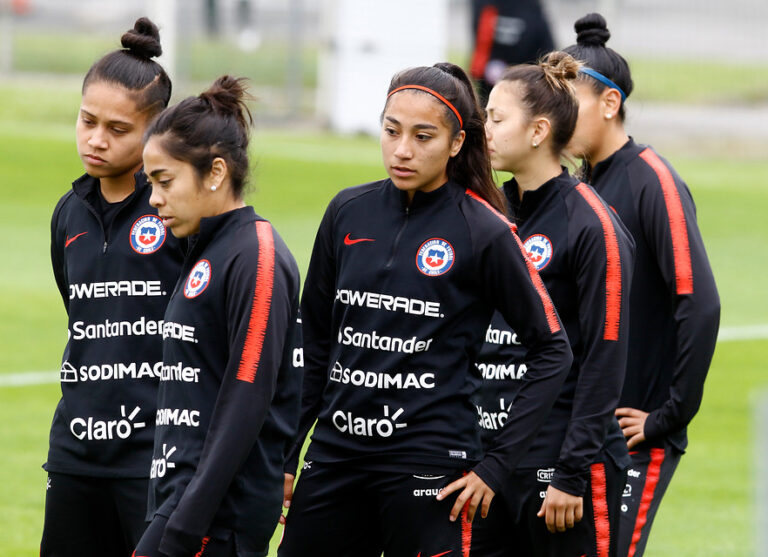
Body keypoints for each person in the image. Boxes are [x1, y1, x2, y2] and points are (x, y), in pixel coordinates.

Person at [278, 62, 573, 557]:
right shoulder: (347, 213)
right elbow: (315, 347)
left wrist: (495, 466)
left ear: (456, 144)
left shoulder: (485, 231)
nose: (402, 150)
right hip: (335, 456)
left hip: (428, 464)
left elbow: (553, 350)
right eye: (391, 131)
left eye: (423, 136)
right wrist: (288, 454)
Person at [563, 13, 721, 557]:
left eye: (569, 104)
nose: (555, 119)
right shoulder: (581, 183)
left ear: (609, 105)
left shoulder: (653, 179)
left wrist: (667, 415)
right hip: (582, 428)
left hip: (634, 436)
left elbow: (698, 304)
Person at [472, 51, 635, 557]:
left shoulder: (592, 225)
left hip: (563, 472)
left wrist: (571, 473)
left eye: (496, 119)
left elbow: (604, 359)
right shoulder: (489, 214)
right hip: (489, 464)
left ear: (539, 131)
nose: (485, 131)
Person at [134, 76, 302, 557]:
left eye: (165, 181)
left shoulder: (255, 255)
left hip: (217, 513)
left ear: (214, 173)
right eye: (151, 183)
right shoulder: (207, 250)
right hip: (181, 498)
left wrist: (188, 522)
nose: (154, 199)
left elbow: (246, 399)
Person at [42, 18, 181, 557]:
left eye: (118, 129)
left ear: (155, 130)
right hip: (75, 454)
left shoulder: (175, 211)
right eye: (87, 121)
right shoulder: (69, 212)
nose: (96, 140)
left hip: (153, 458)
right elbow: (78, 311)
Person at [469, 0, 555, 104]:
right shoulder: (485, 4)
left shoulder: (532, 7)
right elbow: (480, 40)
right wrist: (487, 64)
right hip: (490, 85)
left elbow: (546, 50)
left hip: (525, 86)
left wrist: (531, 76)